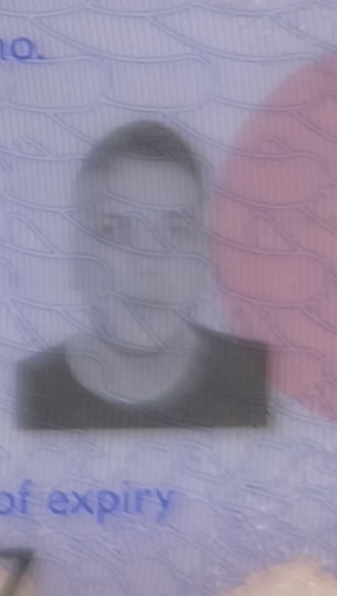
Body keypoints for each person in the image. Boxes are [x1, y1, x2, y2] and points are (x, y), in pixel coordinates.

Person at [15, 120, 270, 431]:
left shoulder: (259, 382)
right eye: (113, 230)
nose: (147, 262)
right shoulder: (29, 393)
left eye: (176, 231)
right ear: (77, 257)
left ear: (205, 260)